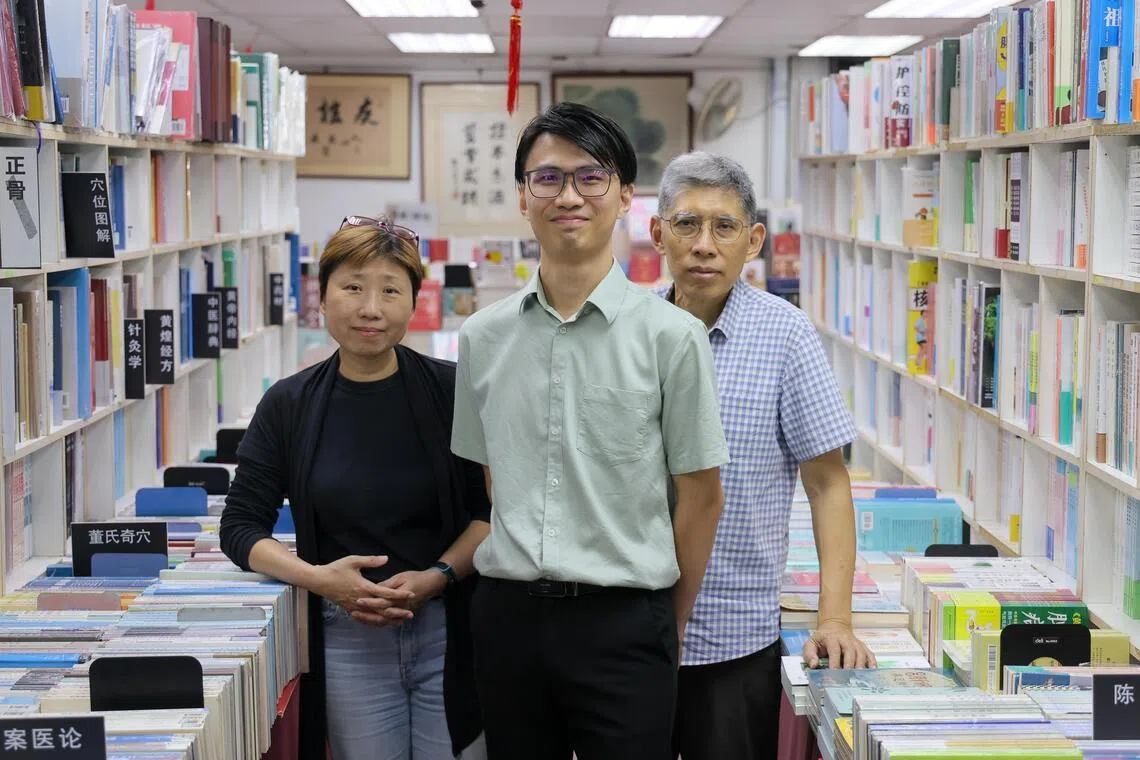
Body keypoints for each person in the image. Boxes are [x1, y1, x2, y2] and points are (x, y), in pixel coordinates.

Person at [450, 102, 730, 760]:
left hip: (626, 620)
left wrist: (670, 616)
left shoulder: (674, 338)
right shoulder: (482, 337)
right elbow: (491, 479)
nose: (568, 195)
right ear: (523, 196)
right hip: (508, 618)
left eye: (590, 177)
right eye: (547, 178)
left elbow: (701, 494)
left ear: (626, 196)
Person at [219, 216, 490, 760]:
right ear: (323, 297)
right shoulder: (288, 404)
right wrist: (320, 580)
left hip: (447, 632)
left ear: (414, 302)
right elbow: (241, 529)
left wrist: (436, 578)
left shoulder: (451, 390)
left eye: (391, 290)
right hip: (345, 639)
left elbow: (489, 516)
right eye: (353, 287)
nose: (371, 308)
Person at [648, 152, 876, 760]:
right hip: (629, 632)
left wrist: (834, 619)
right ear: (657, 233)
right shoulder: (625, 328)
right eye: (686, 224)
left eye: (723, 227)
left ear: (753, 242)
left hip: (733, 638)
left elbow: (828, 484)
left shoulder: (787, 334)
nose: (703, 245)